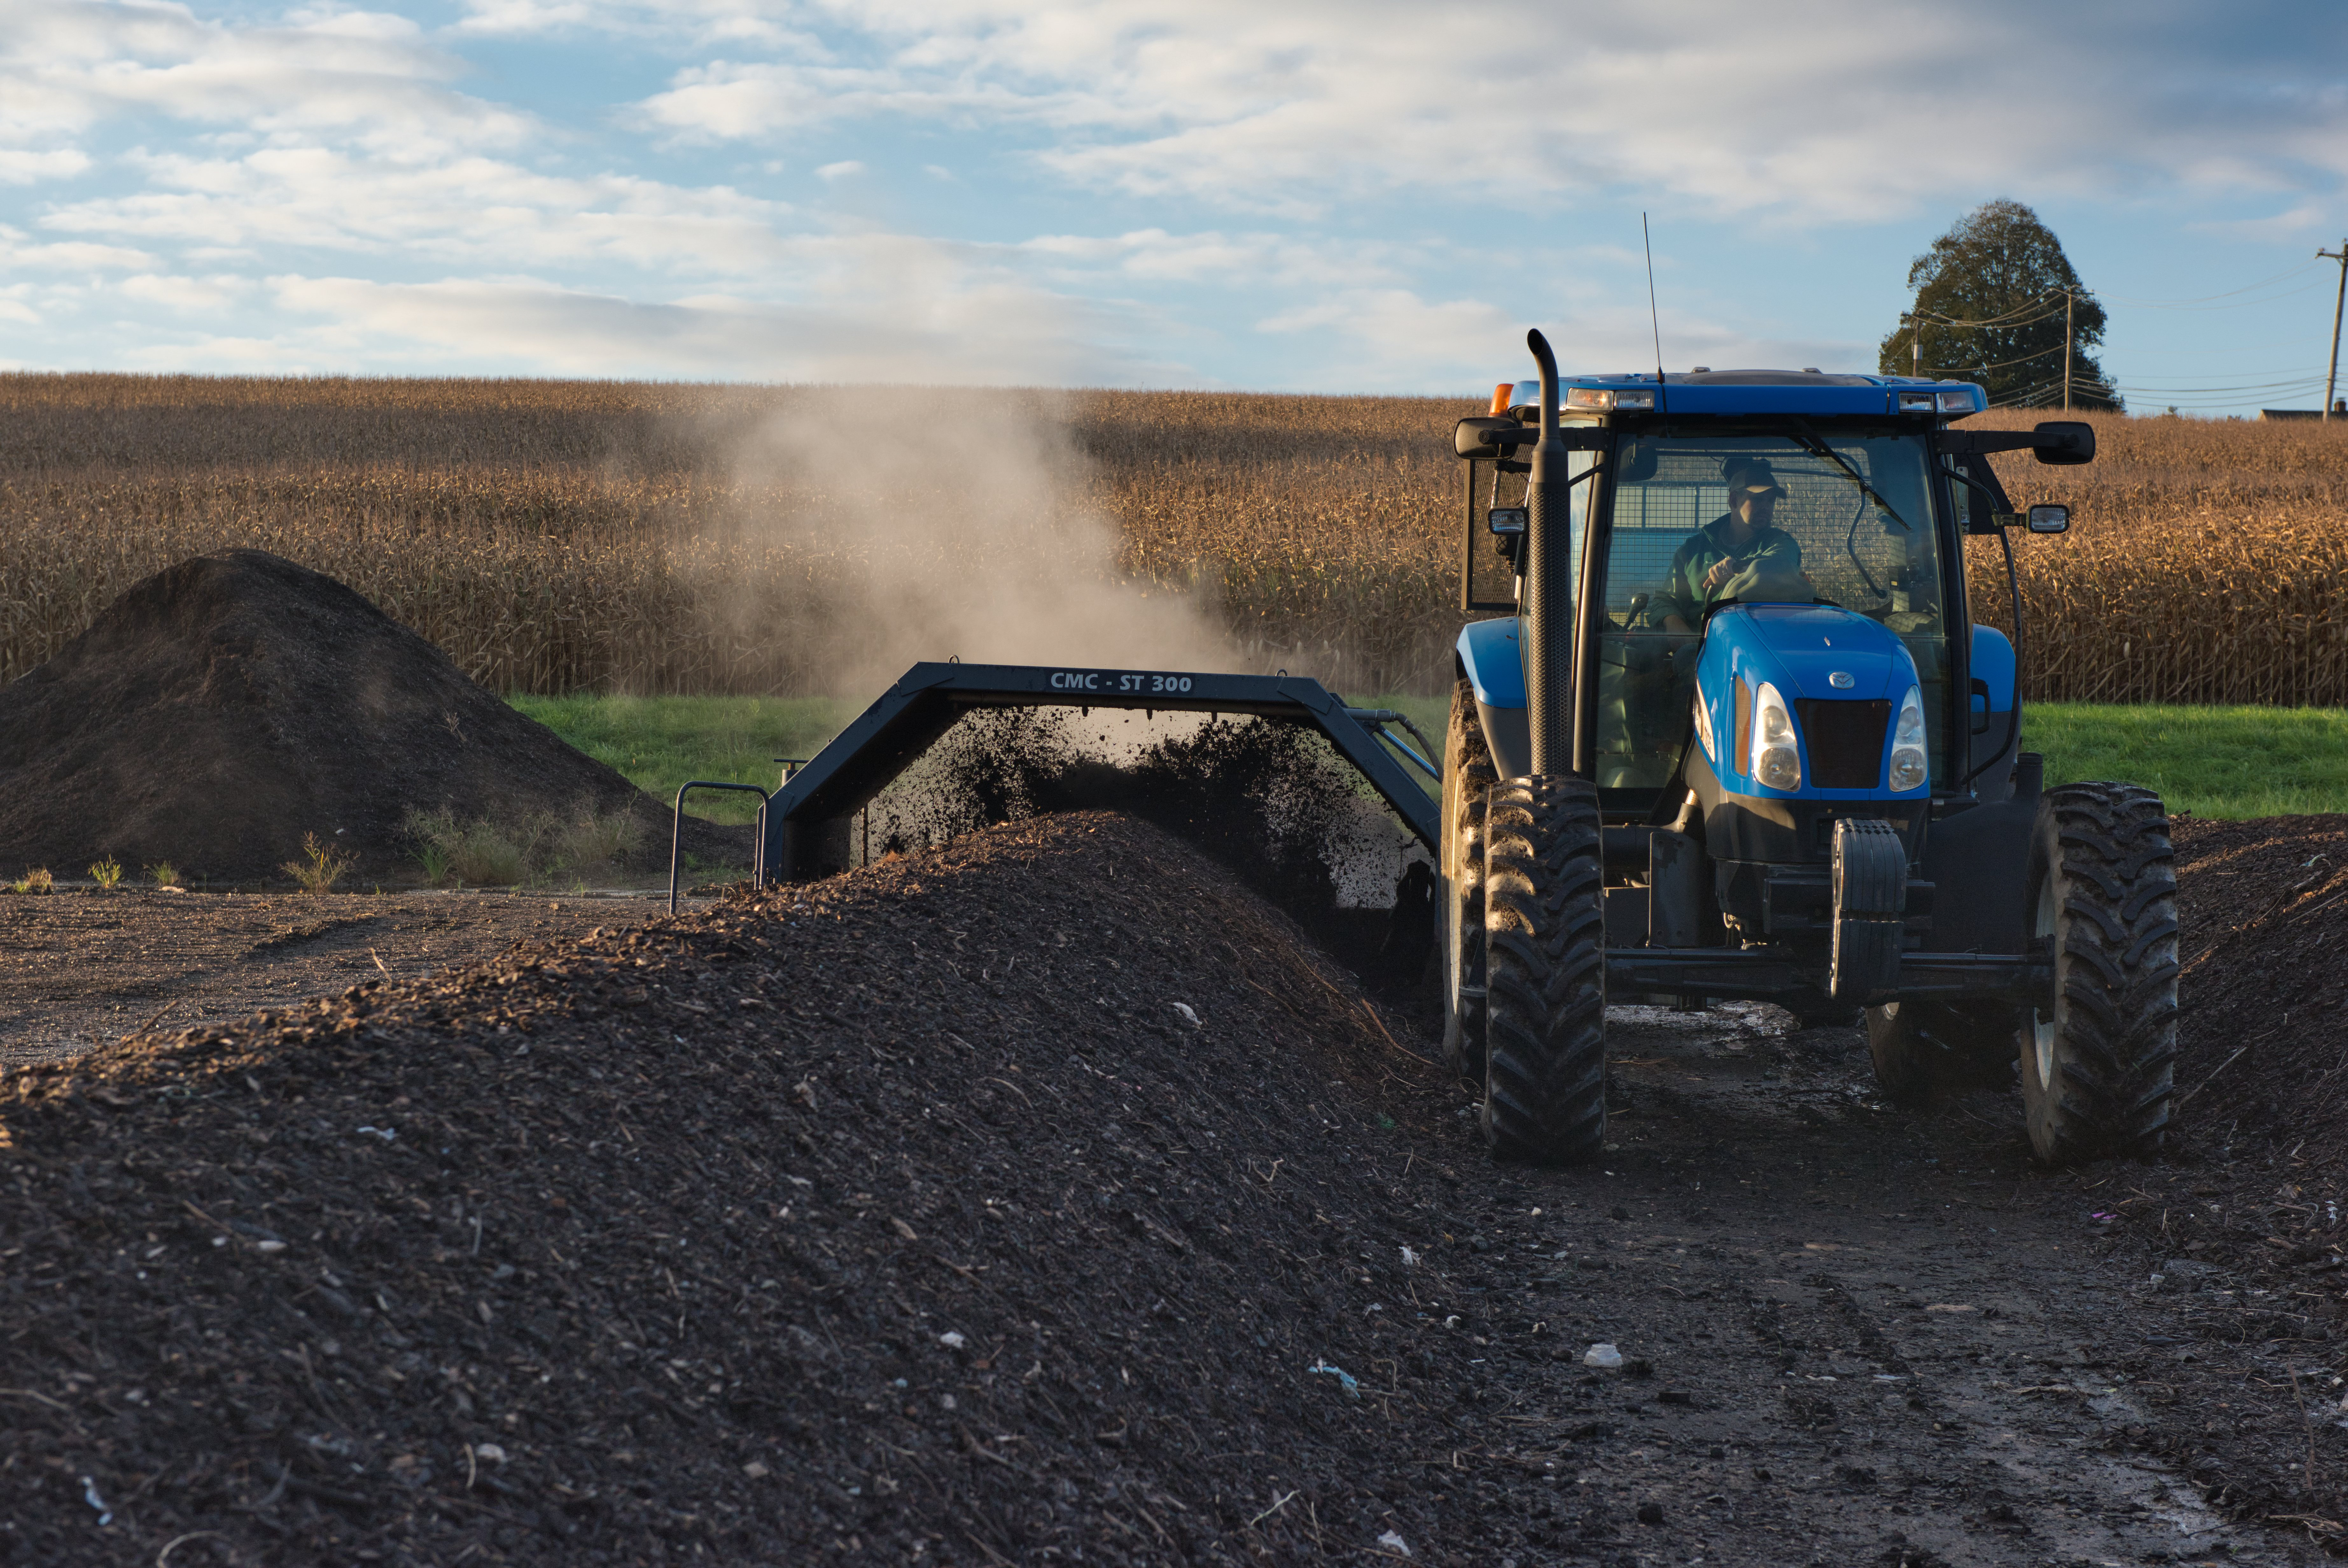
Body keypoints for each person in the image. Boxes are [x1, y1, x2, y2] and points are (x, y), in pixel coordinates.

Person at [1655, 457, 1805, 634]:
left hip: (1756, 640)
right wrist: (1674, 623)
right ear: (1734, 500)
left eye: (1770, 501)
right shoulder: (1693, 550)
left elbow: (1780, 562)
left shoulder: (1780, 542)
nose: (1767, 507)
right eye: (1758, 499)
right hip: (1698, 645)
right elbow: (1666, 599)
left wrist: (1736, 565)